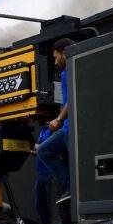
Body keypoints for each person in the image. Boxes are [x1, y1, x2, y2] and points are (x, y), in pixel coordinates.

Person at [38, 38, 75, 204]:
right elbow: (65, 102)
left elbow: (73, 99)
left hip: (71, 128)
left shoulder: (74, 70)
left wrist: (59, 119)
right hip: (65, 127)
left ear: (64, 53)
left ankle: (71, 186)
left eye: (55, 56)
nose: (55, 61)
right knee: (44, 150)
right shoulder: (64, 74)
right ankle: (68, 185)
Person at [32, 126, 52, 224]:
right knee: (40, 204)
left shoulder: (55, 129)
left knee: (51, 204)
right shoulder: (43, 130)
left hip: (50, 173)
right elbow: (40, 150)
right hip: (40, 173)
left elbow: (53, 149)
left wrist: (40, 148)